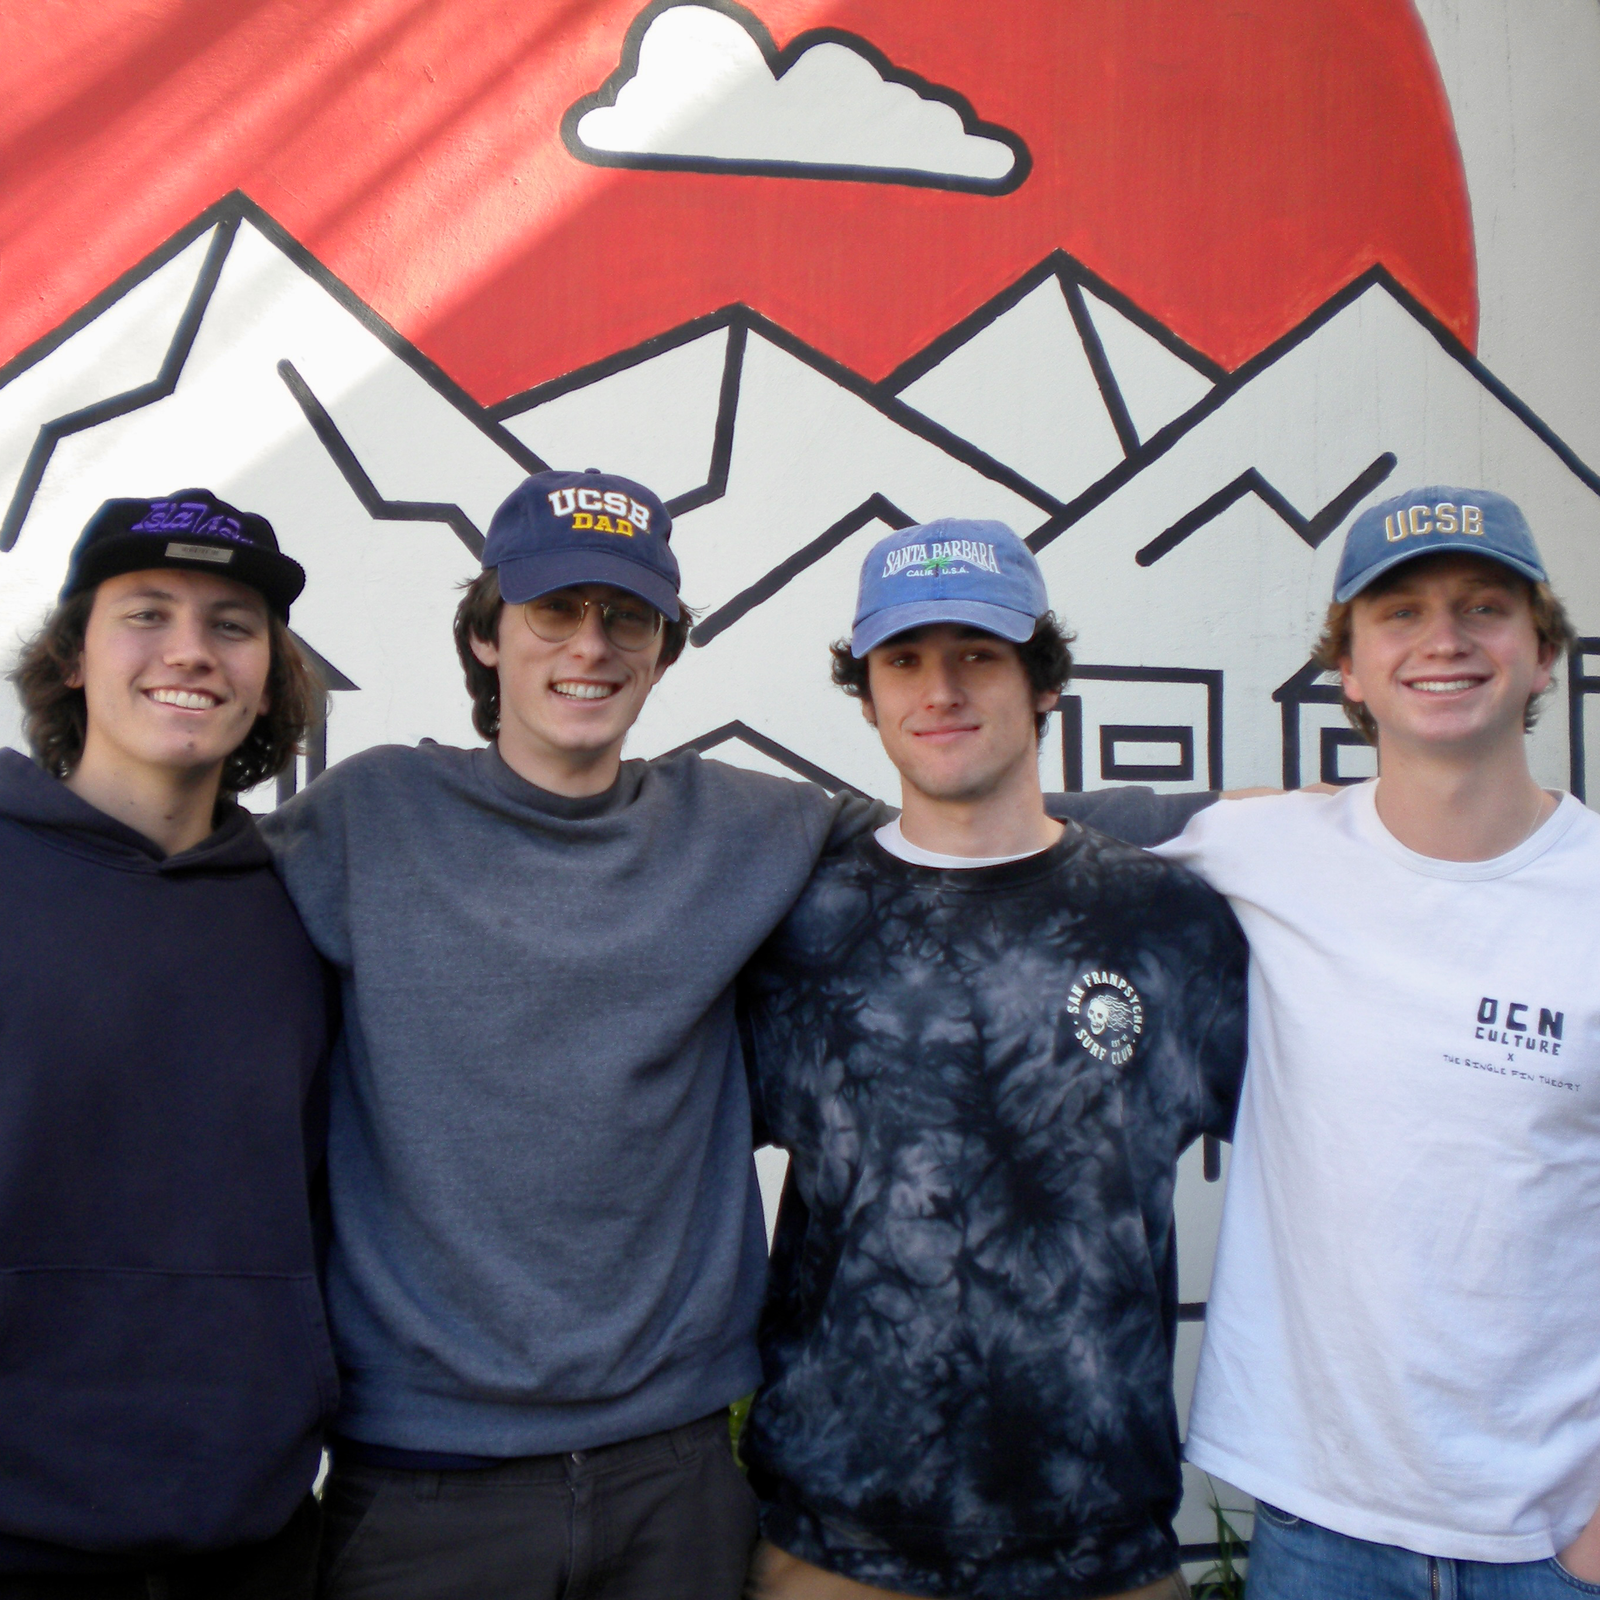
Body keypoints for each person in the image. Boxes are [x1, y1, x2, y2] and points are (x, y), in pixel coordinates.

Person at [260, 472, 1209, 1600]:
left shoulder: (746, 828)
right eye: (553, 611)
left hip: (673, 1471)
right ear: (483, 637)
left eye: (627, 617)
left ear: (664, 651)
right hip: (425, 1478)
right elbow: (177, 905)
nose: (591, 645)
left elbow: (971, 825)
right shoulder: (365, 820)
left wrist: (1273, 823)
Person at [737, 519, 1249, 1600]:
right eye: (904, 661)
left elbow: (1333, 1165)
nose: (941, 690)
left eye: (979, 653)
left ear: (1044, 681)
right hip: (838, 1542)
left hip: (1103, 1542)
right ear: (866, 693)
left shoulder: (1168, 920)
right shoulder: (793, 927)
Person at [1153, 487, 1600, 1598]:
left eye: (1483, 606)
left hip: (1552, 1542)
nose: (1444, 639)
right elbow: (1012, 831)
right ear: (1347, 669)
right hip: (1320, 1525)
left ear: (1543, 654)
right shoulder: (1261, 846)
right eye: (1399, 612)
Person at [0, 490, 336, 1598]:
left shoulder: (313, 910)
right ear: (72, 658)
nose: (190, 651)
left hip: (249, 1536)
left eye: (232, 625)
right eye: (146, 613)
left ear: (268, 678)